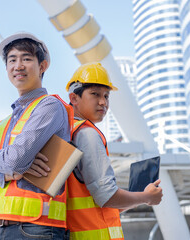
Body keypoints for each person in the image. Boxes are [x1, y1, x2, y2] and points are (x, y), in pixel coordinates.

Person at [0, 32, 72, 240]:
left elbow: (16, 161)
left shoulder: (49, 106)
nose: (18, 65)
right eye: (12, 60)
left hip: (36, 229)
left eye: (26, 58)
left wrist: (10, 164)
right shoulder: (4, 124)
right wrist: (9, 173)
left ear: (43, 66)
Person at [65, 62, 163, 239]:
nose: (103, 102)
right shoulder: (87, 134)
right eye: (95, 94)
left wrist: (136, 196)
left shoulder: (67, 131)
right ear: (74, 98)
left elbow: (101, 203)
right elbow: (107, 196)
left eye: (106, 96)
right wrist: (146, 197)